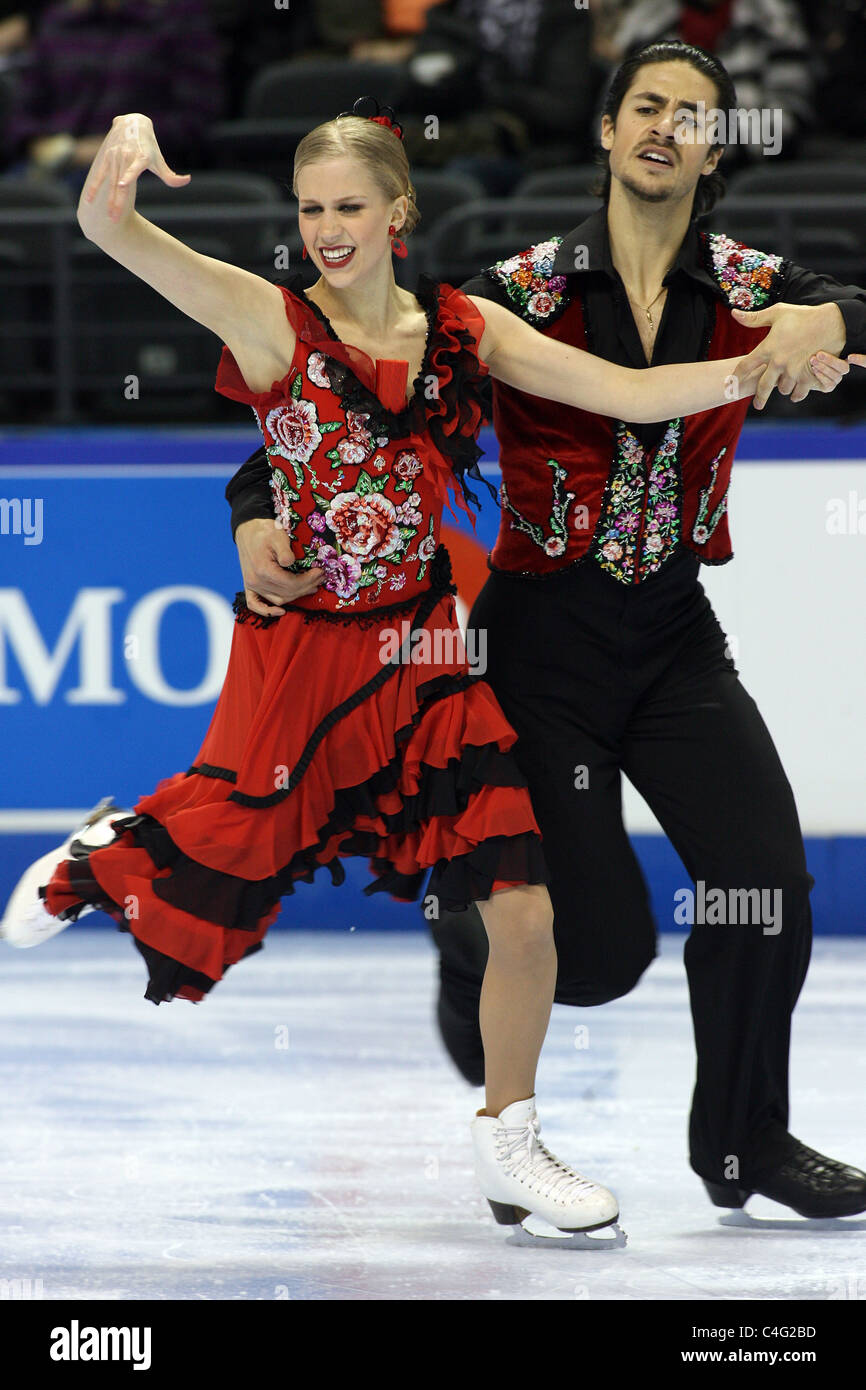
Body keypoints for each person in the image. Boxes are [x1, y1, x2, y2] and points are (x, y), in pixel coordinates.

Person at [0, 97, 828, 1244]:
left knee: (525, 909)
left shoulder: (464, 327)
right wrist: (128, 137)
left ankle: (511, 1143)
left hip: (433, 649)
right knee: (236, 844)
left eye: (349, 206)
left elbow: (630, 395)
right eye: (308, 209)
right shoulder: (270, 319)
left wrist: (750, 365)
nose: (326, 228)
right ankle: (107, 853)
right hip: (311, 657)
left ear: (399, 210)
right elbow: (112, 231)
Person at [224, 46, 866, 1224]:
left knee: (764, 886)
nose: (666, 127)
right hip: (535, 647)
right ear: (610, 132)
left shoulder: (747, 285)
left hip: (674, 635)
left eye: (693, 114)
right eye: (645, 107)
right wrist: (256, 512)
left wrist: (826, 314)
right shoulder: (508, 290)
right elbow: (337, 400)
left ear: (717, 147)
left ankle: (743, 1147)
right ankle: (471, 948)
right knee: (603, 953)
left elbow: (859, 318)